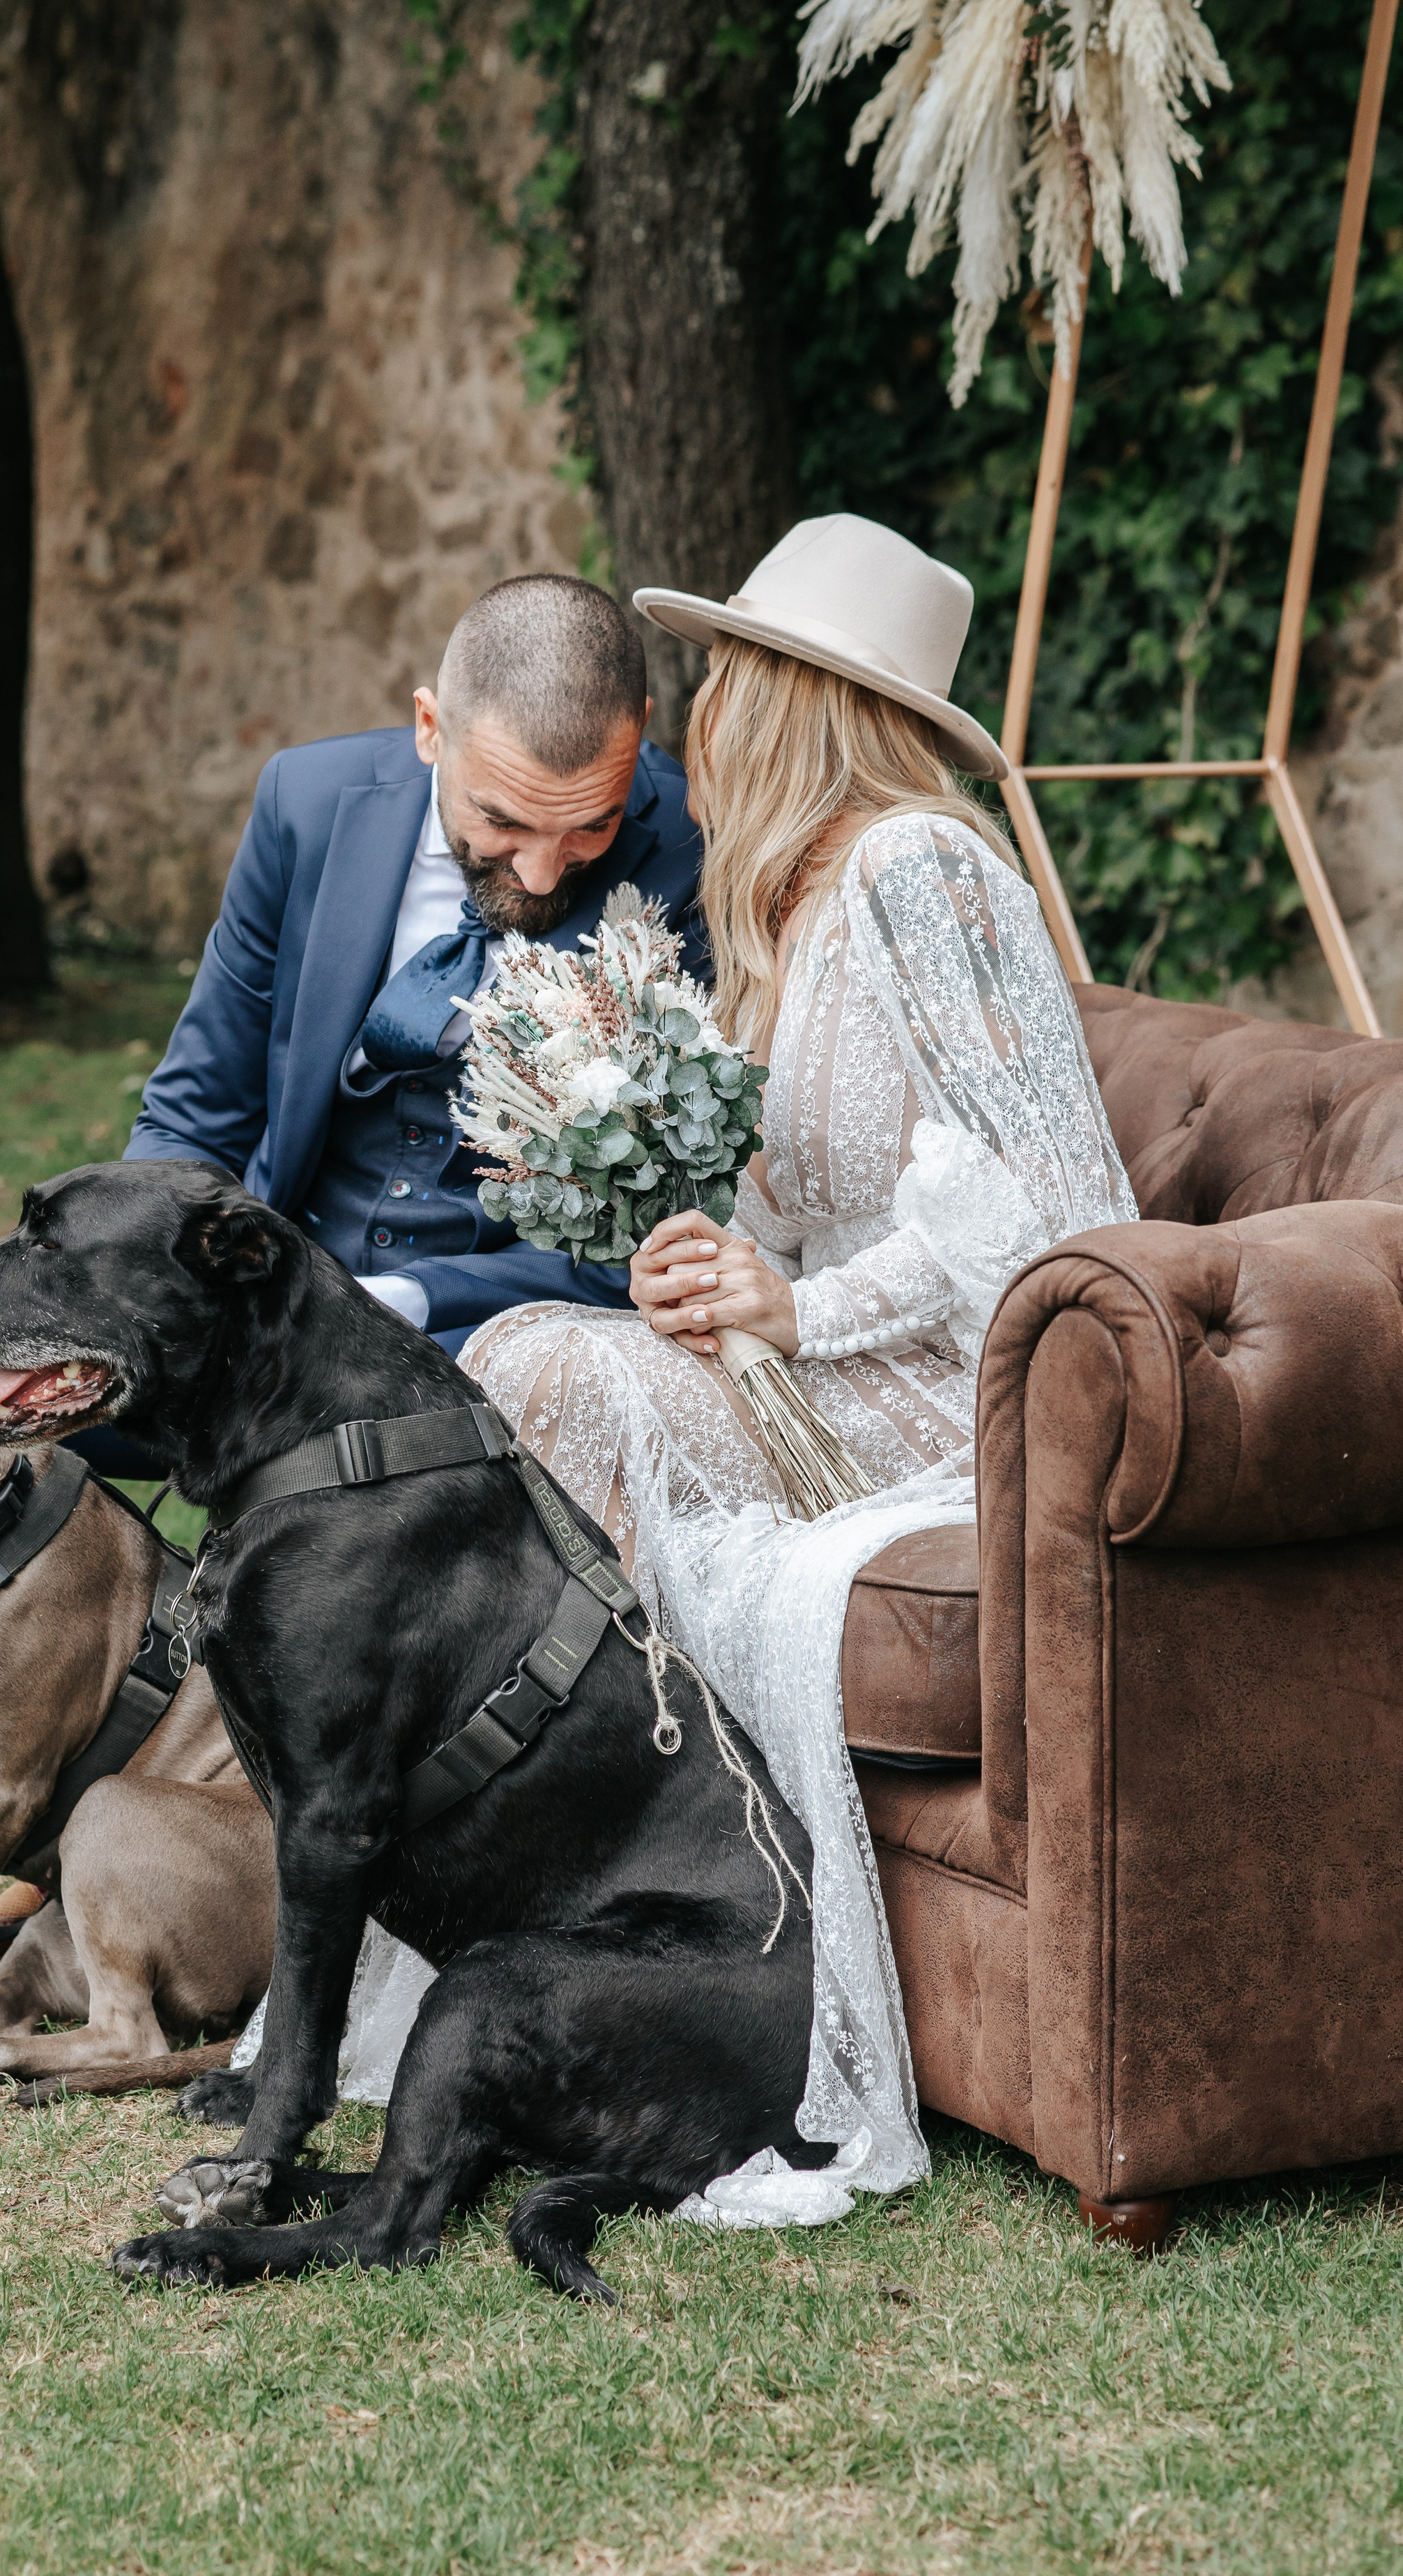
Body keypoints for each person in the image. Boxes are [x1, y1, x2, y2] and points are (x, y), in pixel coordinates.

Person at [433, 515, 1137, 2220]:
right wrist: (698, 1253)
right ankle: (555, 1916)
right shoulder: (789, 892)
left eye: (732, 672)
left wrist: (794, 1311)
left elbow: (1045, 1206)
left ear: (792, 695)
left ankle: (595, 1928)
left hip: (940, 1396)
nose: (703, 706)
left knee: (537, 1370)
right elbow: (809, 1200)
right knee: (542, 1356)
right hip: (819, 1366)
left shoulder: (922, 869)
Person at [0, 574, 702, 1402]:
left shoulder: (690, 857)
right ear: (431, 728)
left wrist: (396, 1304)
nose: (544, 876)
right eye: (500, 820)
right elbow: (199, 1108)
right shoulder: (307, 805)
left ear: (642, 727)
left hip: (494, 1343)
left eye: (591, 824)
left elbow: (644, 1234)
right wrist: (128, 1306)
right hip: (245, 1303)